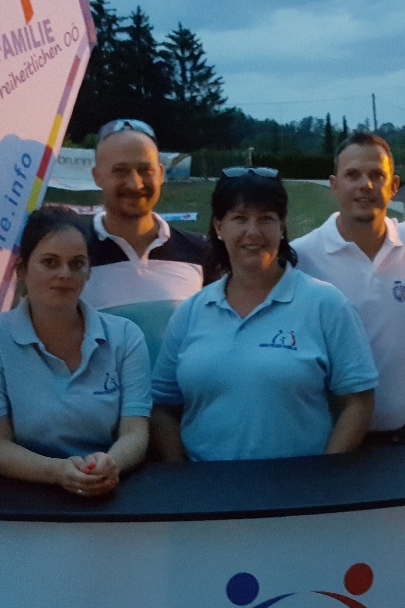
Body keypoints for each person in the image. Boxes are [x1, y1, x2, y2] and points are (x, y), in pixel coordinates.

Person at [150, 168, 377, 462]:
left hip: (299, 485)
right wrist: (182, 474)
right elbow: (163, 407)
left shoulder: (327, 305)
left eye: (266, 219)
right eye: (239, 218)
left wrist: (326, 475)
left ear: (282, 226)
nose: (253, 232)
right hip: (207, 486)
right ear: (219, 226)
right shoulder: (190, 313)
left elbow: (358, 402)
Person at [0, 205, 150, 496]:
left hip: (108, 494)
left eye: (77, 264)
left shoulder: (125, 336)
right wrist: (59, 472)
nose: (64, 274)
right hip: (15, 503)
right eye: (50, 262)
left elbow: (135, 433)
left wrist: (110, 465)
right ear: (21, 269)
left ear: (89, 272)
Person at [291, 132, 405, 447]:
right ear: (334, 185)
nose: (365, 185)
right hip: (329, 441)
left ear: (394, 185)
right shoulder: (302, 258)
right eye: (352, 175)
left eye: (377, 175)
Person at [85, 119, 207, 362]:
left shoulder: (201, 252)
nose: (135, 183)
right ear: (97, 176)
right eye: (120, 171)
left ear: (161, 173)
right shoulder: (71, 256)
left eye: (145, 170)